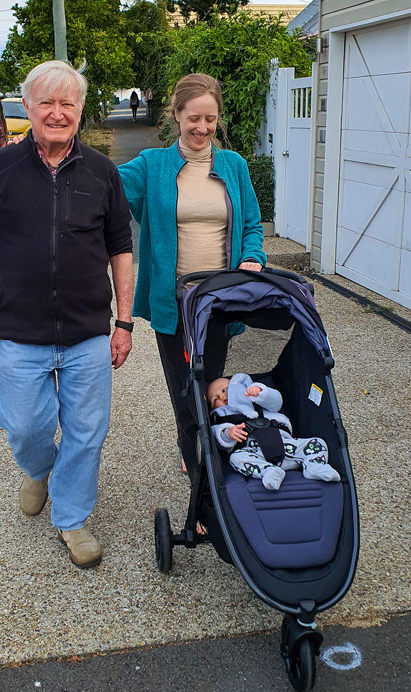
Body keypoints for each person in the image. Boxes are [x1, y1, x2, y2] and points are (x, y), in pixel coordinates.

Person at [0, 60, 134, 570]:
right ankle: (39, 469)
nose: (57, 113)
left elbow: (121, 247)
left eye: (68, 104)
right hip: (21, 333)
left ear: (80, 110)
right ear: (28, 108)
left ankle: (73, 519)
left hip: (87, 334)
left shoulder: (102, 172)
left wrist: (123, 322)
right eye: (47, 103)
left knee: (87, 431)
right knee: (25, 428)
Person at [117, 73, 267, 479]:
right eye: (193, 118)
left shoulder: (233, 166)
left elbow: (252, 224)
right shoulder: (152, 165)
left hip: (220, 299)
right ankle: (193, 450)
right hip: (173, 301)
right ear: (177, 115)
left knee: (211, 384)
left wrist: (252, 257)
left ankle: (214, 442)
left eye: (210, 119)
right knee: (183, 386)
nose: (202, 128)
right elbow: (106, 187)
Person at [208, 374, 341, 490]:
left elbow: (276, 402)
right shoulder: (221, 417)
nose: (221, 396)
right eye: (215, 399)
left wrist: (261, 393)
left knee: (317, 443)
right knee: (236, 458)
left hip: (286, 445)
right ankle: (269, 472)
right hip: (254, 453)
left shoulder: (254, 397)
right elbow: (216, 434)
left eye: (225, 390)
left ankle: (314, 466)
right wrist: (228, 433)